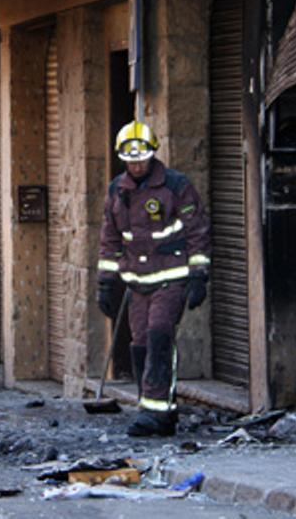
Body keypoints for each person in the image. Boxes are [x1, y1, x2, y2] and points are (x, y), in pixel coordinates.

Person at [96, 120, 211, 437]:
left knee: (160, 335)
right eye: (130, 160)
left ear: (152, 155)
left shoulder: (176, 186)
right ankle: (161, 409)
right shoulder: (117, 191)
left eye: (141, 158)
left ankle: (153, 413)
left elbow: (197, 230)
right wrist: (105, 283)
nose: (136, 165)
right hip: (137, 283)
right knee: (141, 345)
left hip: (170, 279)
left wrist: (199, 275)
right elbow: (110, 239)